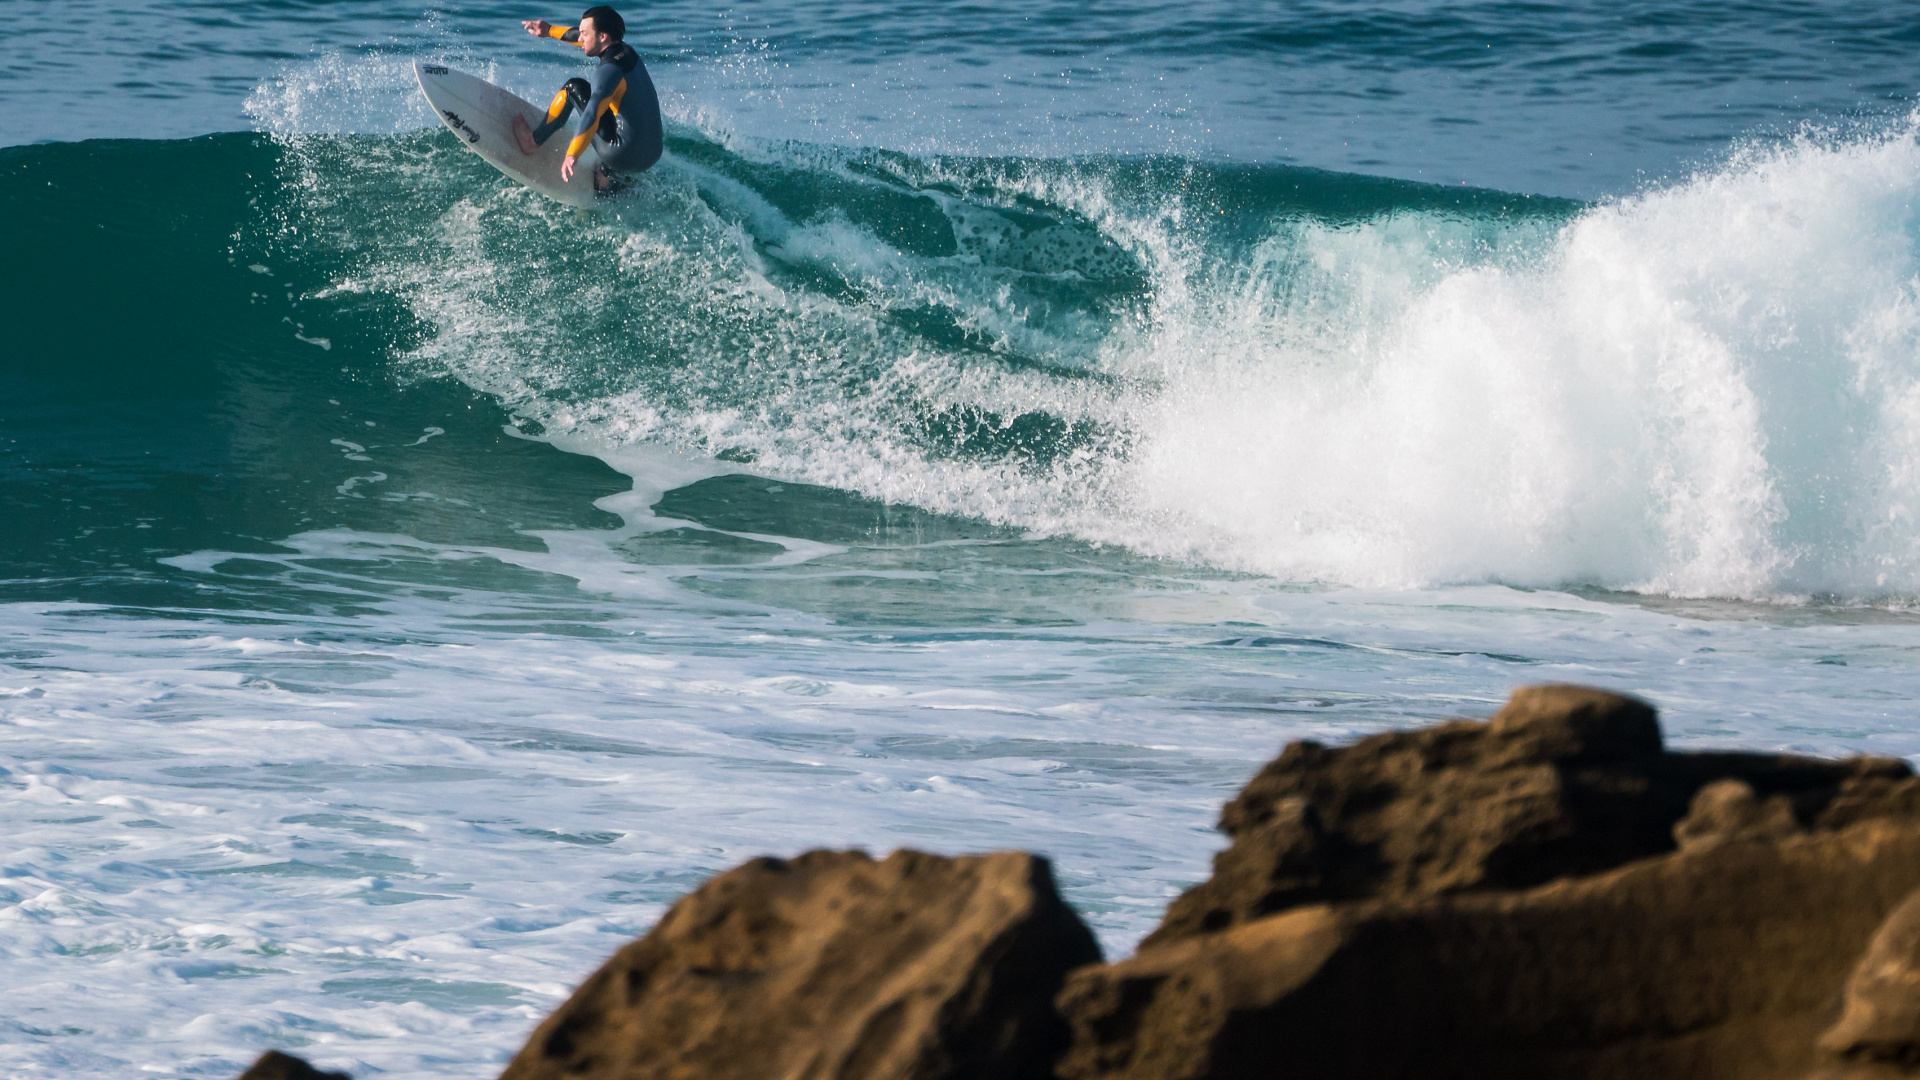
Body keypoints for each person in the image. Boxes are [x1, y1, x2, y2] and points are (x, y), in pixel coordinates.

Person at [515, 6, 662, 191]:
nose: (579, 38)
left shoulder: (608, 71)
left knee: (574, 88)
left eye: (584, 33)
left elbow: (592, 114)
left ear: (603, 37)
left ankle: (532, 142)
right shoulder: (627, 52)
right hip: (652, 154)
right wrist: (549, 30)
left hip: (621, 154)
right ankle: (606, 176)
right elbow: (582, 38)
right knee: (619, 109)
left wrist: (572, 154)